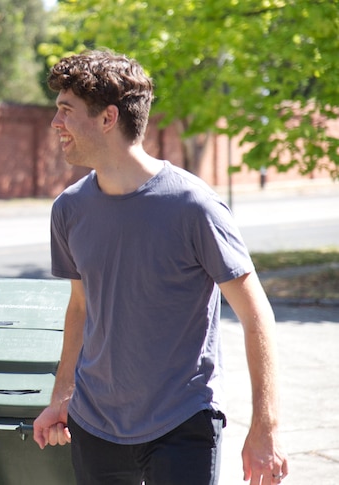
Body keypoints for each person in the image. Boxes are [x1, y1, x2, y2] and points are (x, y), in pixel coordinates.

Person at [31, 50, 289, 485]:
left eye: (65, 111)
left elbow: (255, 315)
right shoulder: (69, 210)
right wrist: (62, 395)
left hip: (182, 421)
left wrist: (266, 427)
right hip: (95, 424)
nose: (56, 123)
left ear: (108, 118)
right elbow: (80, 308)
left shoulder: (194, 206)